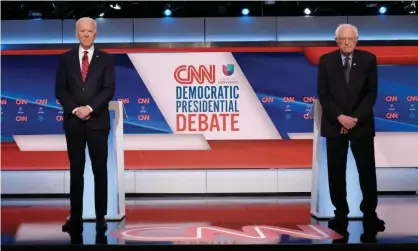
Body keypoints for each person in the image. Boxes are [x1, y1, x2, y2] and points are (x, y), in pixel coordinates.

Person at [317, 24, 385, 232]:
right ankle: (340, 215)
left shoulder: (368, 59)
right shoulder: (326, 61)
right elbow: (324, 94)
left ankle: (370, 215)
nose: (346, 43)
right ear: (336, 40)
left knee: (367, 171)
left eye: (350, 39)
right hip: (334, 124)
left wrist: (353, 118)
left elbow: (371, 93)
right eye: (342, 39)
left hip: (360, 125)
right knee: (336, 172)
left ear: (357, 40)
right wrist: (340, 117)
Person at [55, 17, 115, 232]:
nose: (86, 34)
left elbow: (108, 89)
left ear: (95, 34)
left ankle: (101, 217)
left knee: (100, 171)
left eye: (90, 31)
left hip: (97, 123)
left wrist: (89, 108)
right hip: (73, 123)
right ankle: (76, 218)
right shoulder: (66, 59)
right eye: (83, 31)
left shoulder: (106, 59)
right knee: (76, 171)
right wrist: (75, 109)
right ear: (76, 34)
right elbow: (60, 90)